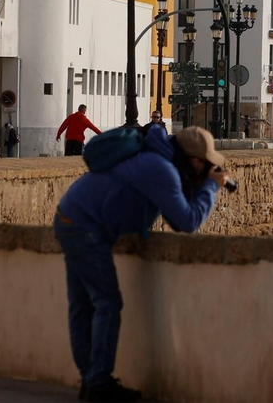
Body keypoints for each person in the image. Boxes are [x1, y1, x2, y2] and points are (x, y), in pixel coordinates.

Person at [55, 126, 226, 402]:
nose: (204, 168)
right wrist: (210, 186)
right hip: (86, 228)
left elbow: (175, 212)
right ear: (194, 160)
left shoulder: (153, 159)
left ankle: (91, 380)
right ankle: (97, 382)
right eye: (204, 164)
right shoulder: (161, 169)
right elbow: (187, 221)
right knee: (106, 304)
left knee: (83, 306)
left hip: (70, 217)